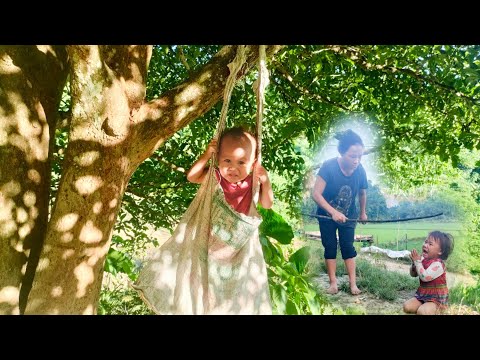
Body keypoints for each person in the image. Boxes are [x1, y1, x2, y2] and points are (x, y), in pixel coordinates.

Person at [312, 129, 368, 295]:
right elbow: (316, 194)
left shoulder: (360, 170)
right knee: (330, 247)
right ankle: (333, 283)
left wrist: (362, 213)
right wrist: (332, 212)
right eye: (352, 156)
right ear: (342, 153)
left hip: (349, 216)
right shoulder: (328, 167)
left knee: (347, 247)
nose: (356, 160)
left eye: (360, 156)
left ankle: (353, 284)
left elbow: (362, 192)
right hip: (326, 216)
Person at [186, 126, 274, 213]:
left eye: (241, 162)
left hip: (241, 226)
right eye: (227, 160)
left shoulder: (252, 183)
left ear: (252, 165)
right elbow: (192, 177)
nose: (233, 168)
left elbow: (267, 204)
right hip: (212, 225)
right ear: (218, 160)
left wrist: (265, 181)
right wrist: (207, 155)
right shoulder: (216, 177)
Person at [403, 231, 454, 315]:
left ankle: (440, 309)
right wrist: (414, 263)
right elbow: (413, 274)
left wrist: (417, 262)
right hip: (423, 295)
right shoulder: (422, 260)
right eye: (426, 242)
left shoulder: (438, 264)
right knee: (407, 306)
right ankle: (426, 306)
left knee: (422, 311)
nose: (425, 245)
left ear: (440, 251)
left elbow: (425, 277)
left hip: (436, 298)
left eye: (430, 244)